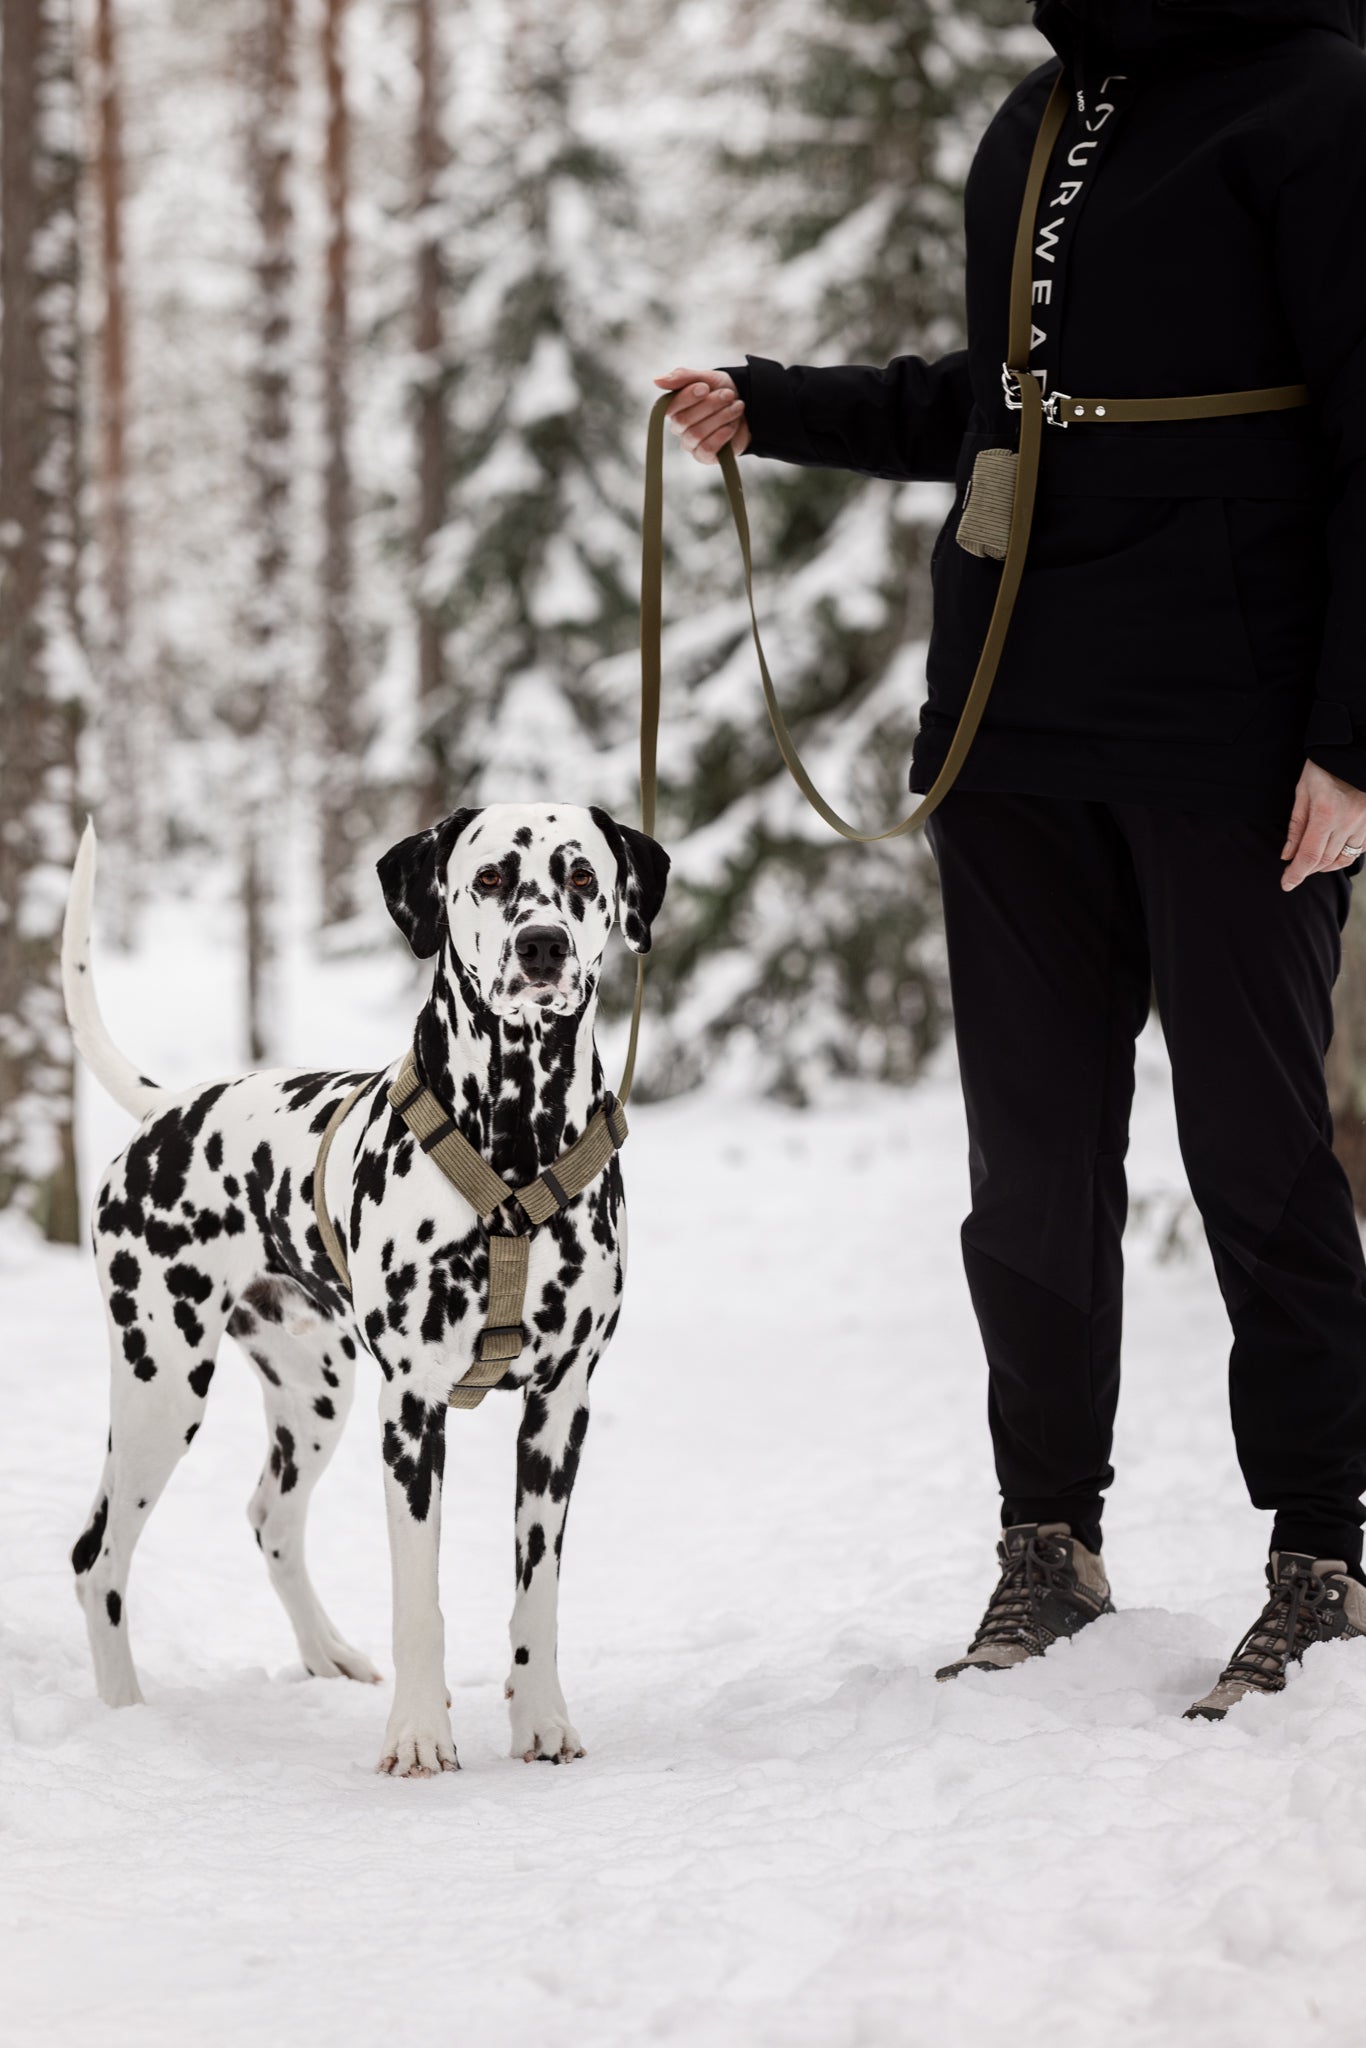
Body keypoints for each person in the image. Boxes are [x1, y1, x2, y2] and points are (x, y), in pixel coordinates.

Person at [657, 0, 1366, 1720]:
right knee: (1028, 1161)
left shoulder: (1323, 97)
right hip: (1012, 721)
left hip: (1236, 725)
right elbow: (1009, 403)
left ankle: (1320, 1554)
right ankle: (1048, 1539)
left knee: (1256, 1148)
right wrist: (782, 406)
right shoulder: (1040, 113)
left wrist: (1352, 740)